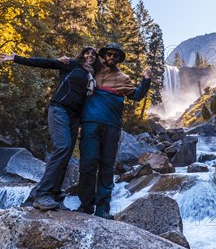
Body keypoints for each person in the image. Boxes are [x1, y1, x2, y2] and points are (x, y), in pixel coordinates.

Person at [0, 46, 100, 210]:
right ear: (81, 56)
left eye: (93, 54)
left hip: (75, 117)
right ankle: (42, 194)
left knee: (66, 156)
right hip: (59, 109)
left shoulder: (93, 76)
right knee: (63, 147)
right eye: (87, 52)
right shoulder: (71, 65)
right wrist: (17, 58)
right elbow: (46, 63)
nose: (90, 55)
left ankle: (56, 195)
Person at [62, 43, 151, 219]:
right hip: (89, 125)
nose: (111, 58)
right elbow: (76, 67)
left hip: (112, 127)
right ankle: (85, 206)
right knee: (87, 166)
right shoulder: (91, 72)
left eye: (115, 56)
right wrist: (64, 61)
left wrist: (146, 80)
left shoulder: (124, 78)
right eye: (109, 54)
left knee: (106, 167)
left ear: (119, 59)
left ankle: (102, 208)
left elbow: (137, 95)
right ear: (104, 56)